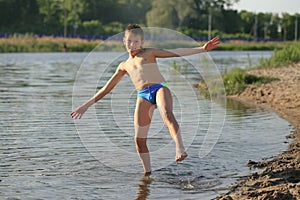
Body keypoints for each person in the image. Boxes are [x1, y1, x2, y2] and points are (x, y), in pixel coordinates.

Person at [70, 24, 220, 176]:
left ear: (142, 42)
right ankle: (147, 174)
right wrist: (86, 105)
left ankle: (179, 147)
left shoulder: (149, 53)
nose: (132, 45)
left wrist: (202, 49)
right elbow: (106, 89)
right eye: (129, 41)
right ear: (124, 40)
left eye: (136, 42)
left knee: (166, 114)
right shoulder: (123, 65)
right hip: (142, 95)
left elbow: (175, 53)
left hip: (159, 88)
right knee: (139, 140)